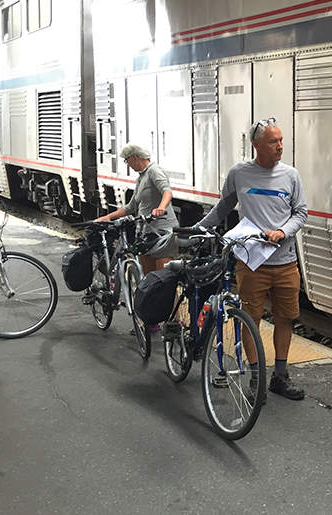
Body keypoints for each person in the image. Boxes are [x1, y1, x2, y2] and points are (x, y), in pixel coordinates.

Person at [196, 118, 308, 401]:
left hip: (285, 262)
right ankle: (257, 379)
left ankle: (280, 377)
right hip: (251, 262)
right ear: (256, 145)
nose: (280, 146)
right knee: (250, 320)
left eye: (282, 140)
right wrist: (199, 229)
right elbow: (224, 206)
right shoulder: (239, 173)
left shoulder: (291, 175)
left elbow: (301, 213)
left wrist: (283, 231)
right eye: (274, 141)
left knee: (286, 318)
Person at [95, 142, 179, 275]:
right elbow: (131, 206)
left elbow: (167, 192)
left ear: (135, 157)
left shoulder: (154, 171)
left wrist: (161, 208)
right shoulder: (141, 177)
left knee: (163, 278)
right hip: (146, 232)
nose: (128, 165)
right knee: (147, 279)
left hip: (162, 233)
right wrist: (109, 217)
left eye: (127, 161)